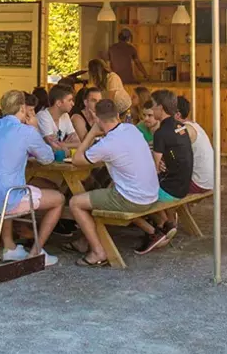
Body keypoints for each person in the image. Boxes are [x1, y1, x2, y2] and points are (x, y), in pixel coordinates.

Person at [0, 90, 62, 266]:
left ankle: (10, 246)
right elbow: (47, 158)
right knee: (58, 199)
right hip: (4, 200)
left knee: (8, 185)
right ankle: (36, 252)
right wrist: (35, 127)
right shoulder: (26, 131)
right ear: (23, 108)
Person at [68, 99, 160, 267]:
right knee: (103, 190)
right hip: (151, 193)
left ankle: (98, 252)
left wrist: (91, 133)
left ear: (97, 118)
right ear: (118, 115)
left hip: (133, 199)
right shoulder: (131, 129)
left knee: (75, 202)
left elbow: (77, 160)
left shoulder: (107, 144)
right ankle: (84, 240)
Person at [131, 89, 194, 254]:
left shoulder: (161, 133)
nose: (152, 110)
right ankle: (166, 224)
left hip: (170, 190)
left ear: (160, 107)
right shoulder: (181, 127)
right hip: (184, 185)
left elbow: (154, 169)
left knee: (129, 195)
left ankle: (159, 229)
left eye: (153, 106)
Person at [176, 95, 213, 194]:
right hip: (209, 180)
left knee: (160, 185)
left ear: (177, 115)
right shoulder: (193, 125)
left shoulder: (183, 130)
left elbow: (174, 156)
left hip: (199, 182)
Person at [36, 84, 81, 152]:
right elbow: (53, 146)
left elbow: (78, 143)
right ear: (59, 103)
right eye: (69, 100)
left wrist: (63, 145)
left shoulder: (65, 116)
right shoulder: (43, 116)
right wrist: (67, 144)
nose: (73, 104)